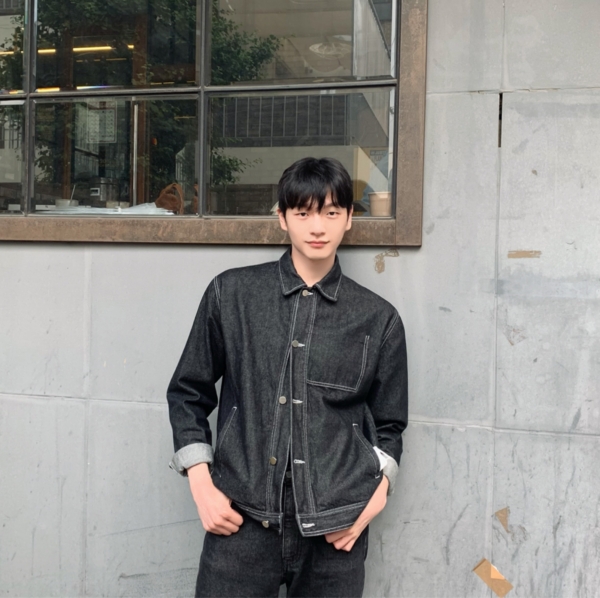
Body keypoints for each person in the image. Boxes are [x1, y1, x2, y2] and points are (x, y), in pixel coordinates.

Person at [167, 157, 408, 598]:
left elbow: (389, 425)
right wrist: (202, 486)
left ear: (349, 218)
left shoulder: (379, 318)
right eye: (303, 212)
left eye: (331, 212)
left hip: (337, 529)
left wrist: (375, 501)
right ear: (282, 217)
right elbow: (188, 392)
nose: (317, 227)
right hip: (240, 521)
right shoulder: (231, 293)